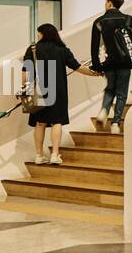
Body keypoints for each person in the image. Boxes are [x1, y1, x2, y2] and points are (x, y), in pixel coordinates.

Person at [20, 24, 98, 164]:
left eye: (39, 34)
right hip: (58, 90)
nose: (38, 37)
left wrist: (24, 87)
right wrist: (95, 73)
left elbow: (25, 70)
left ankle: (38, 155)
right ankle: (55, 154)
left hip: (39, 91)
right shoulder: (62, 50)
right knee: (57, 122)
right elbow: (78, 67)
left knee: (40, 123)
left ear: (43, 34)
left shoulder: (33, 49)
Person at [90, 0, 132, 134]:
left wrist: (96, 65)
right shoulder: (128, 19)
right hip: (125, 61)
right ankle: (115, 123)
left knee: (110, 88)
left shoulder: (99, 22)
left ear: (109, 3)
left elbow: (95, 46)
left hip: (108, 62)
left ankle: (104, 110)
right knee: (122, 92)